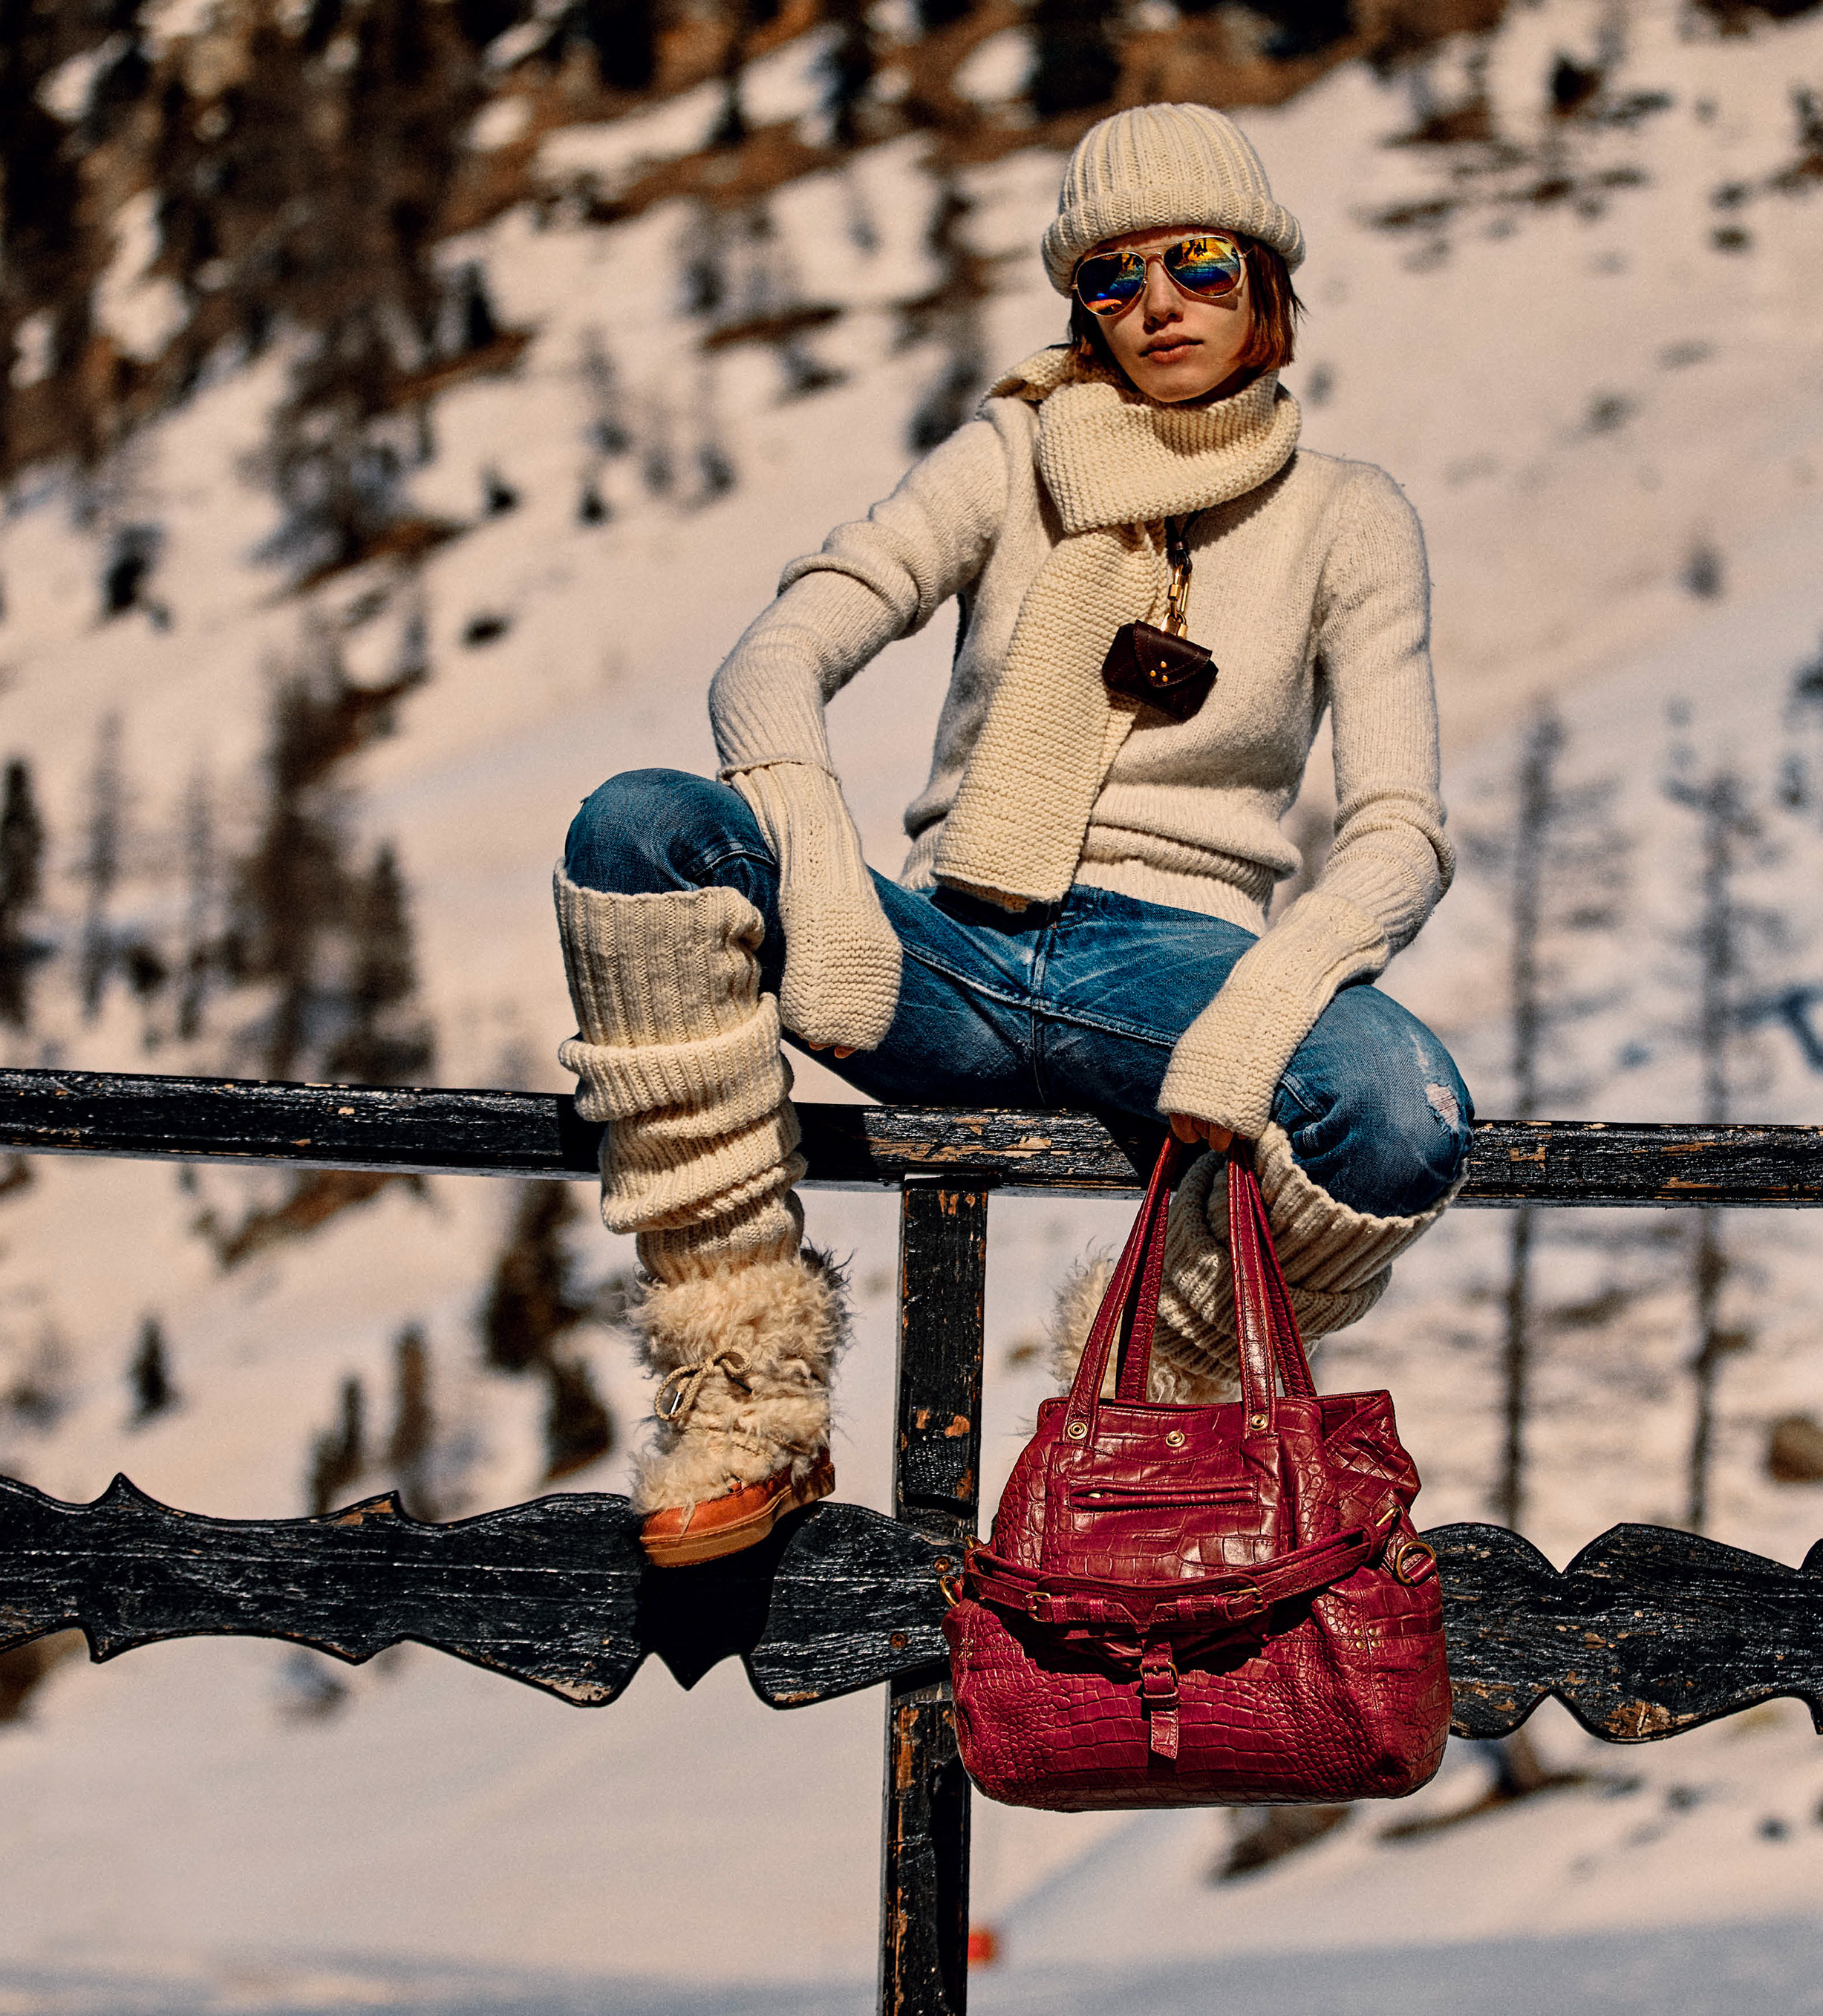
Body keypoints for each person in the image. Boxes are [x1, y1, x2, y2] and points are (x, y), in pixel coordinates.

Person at [551, 102, 1472, 1565]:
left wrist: (1265, 1009)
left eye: (1197, 262)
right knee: (643, 829)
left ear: (1265, 279)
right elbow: (773, 658)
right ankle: (750, 1395)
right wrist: (818, 861)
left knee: (1398, 1109)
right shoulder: (1010, 455)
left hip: (1179, 980)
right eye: (1112, 276)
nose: (1157, 302)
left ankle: (1153, 1402)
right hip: (948, 954)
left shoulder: (1348, 516)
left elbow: (1401, 830)